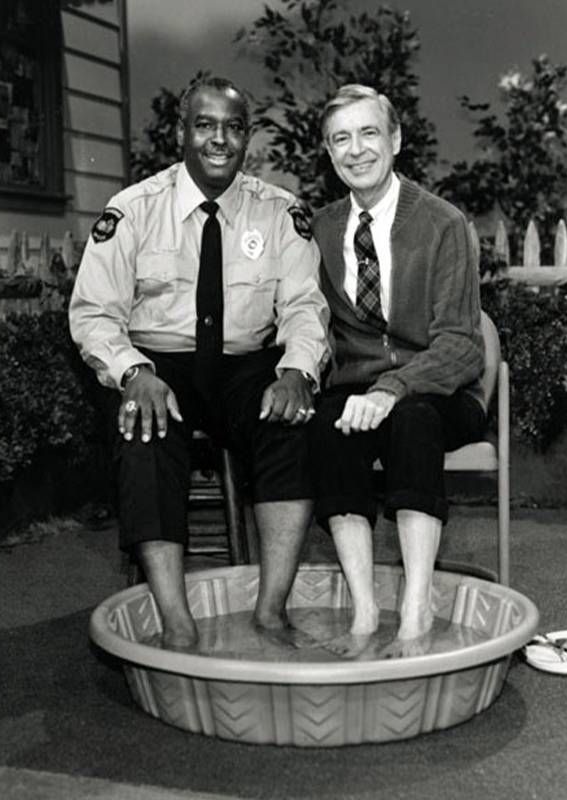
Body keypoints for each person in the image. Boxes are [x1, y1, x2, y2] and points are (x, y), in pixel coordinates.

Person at [69, 76, 329, 651]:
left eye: (233, 127)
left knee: (291, 423)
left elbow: (306, 308)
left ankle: (270, 611)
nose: (220, 140)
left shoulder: (280, 213)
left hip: (244, 364)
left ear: (247, 137)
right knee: (145, 429)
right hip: (159, 364)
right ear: (181, 132)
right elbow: (93, 314)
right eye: (206, 125)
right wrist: (134, 373)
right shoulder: (133, 210)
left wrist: (297, 371)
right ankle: (176, 620)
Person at [309, 85, 487, 659]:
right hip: (359, 392)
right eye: (341, 138)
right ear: (328, 152)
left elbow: (462, 345)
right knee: (328, 425)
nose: (356, 150)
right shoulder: (319, 229)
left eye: (368, 134)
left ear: (395, 140)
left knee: (411, 421)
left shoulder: (442, 223)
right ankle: (363, 611)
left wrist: (393, 386)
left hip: (440, 392)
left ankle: (416, 608)